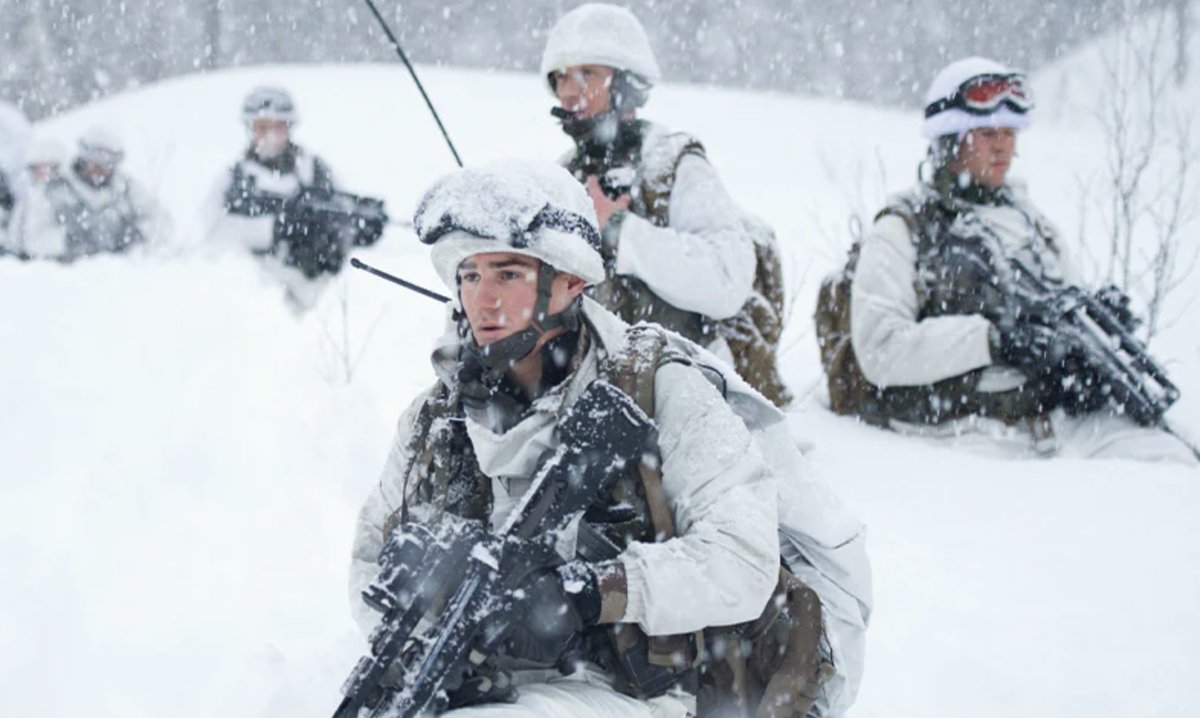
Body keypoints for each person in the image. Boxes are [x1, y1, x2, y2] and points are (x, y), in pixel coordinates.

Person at [348, 161, 870, 717]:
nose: (484, 299)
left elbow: (742, 558)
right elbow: (367, 562)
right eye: (470, 276)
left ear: (570, 281)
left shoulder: (659, 387)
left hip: (647, 692)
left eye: (508, 274)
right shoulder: (438, 418)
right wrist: (437, 628)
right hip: (488, 681)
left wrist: (587, 593)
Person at [820, 56, 1196, 464]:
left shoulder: (1030, 221)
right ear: (950, 141)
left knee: (1172, 463)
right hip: (961, 434)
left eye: (1009, 132)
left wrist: (1086, 346)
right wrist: (993, 340)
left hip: (1052, 420)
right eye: (986, 133)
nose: (1003, 145)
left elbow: (1060, 316)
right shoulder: (904, 228)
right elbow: (881, 351)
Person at [539, 3, 793, 407]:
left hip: (691, 391)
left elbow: (727, 280)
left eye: (588, 73)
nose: (569, 90)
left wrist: (618, 229)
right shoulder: (562, 175)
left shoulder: (673, 163)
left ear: (626, 84)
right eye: (561, 77)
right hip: (586, 391)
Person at [207, 86, 385, 309]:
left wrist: (357, 225)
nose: (270, 136)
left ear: (289, 127)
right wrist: (276, 226)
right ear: (250, 129)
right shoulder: (234, 179)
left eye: (278, 127)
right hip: (255, 292)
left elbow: (340, 211)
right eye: (262, 128)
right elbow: (215, 236)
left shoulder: (313, 170)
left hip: (317, 289)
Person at [4, 126, 167, 261]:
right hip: (67, 277)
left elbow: (160, 222)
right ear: (83, 155)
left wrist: (138, 237)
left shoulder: (127, 189)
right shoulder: (54, 189)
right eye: (94, 157)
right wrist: (69, 244)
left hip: (120, 275)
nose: (99, 165)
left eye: (107, 159)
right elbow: (33, 237)